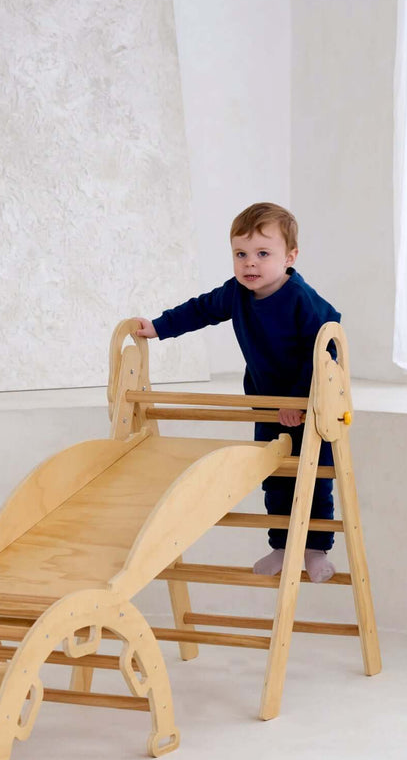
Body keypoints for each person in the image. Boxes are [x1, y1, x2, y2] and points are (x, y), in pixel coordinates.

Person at [134, 202, 338, 583]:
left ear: (289, 257)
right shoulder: (237, 294)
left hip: (310, 403)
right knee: (273, 474)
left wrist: (299, 401)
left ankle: (315, 548)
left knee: (313, 477)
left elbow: (326, 347)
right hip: (267, 403)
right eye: (241, 254)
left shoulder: (301, 298)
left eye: (263, 254)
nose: (250, 263)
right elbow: (200, 310)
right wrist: (159, 327)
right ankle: (282, 546)